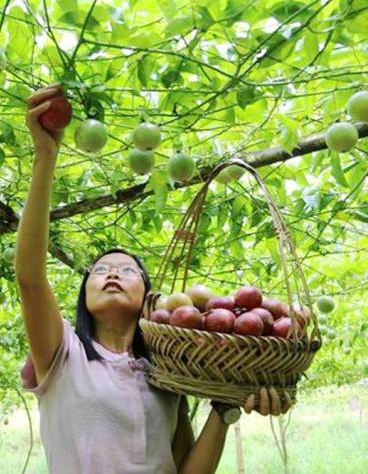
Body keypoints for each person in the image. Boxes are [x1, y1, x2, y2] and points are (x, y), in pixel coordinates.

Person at [15, 83, 293, 473]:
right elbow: (29, 277)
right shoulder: (62, 355)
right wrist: (46, 157)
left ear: (149, 297)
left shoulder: (165, 374)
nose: (113, 272)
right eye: (100, 270)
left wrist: (227, 406)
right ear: (84, 295)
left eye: (128, 270)